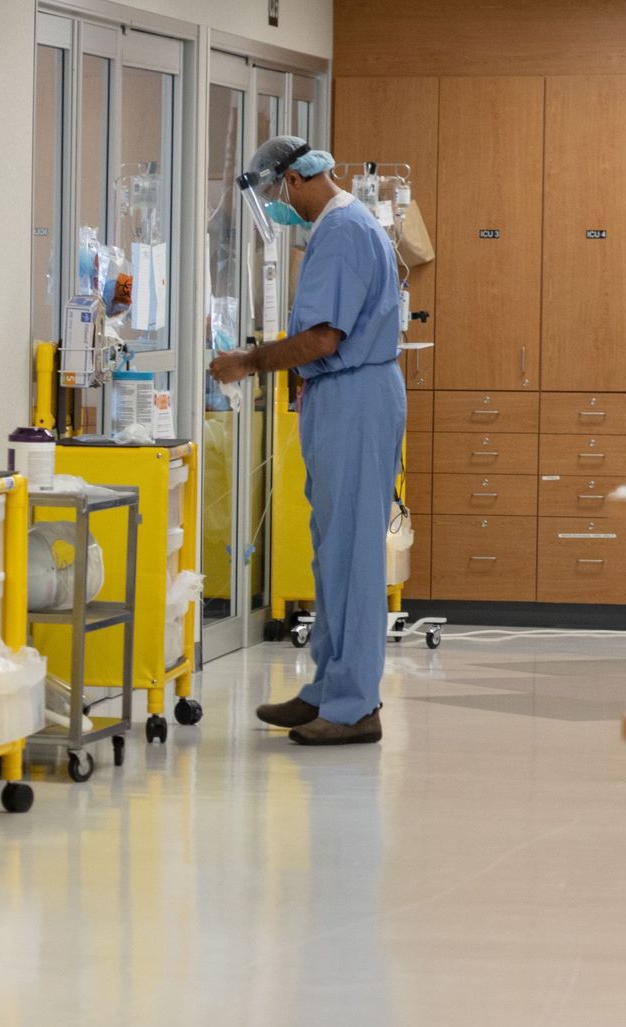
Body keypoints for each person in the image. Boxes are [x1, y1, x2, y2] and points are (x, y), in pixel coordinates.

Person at [209, 136, 406, 747]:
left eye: (274, 196)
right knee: (332, 552)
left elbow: (323, 339)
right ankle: (328, 689)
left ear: (294, 180)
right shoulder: (337, 226)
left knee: (352, 557)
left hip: (355, 397)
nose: (276, 208)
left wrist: (250, 360)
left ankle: (353, 707)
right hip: (341, 398)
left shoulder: (344, 230)